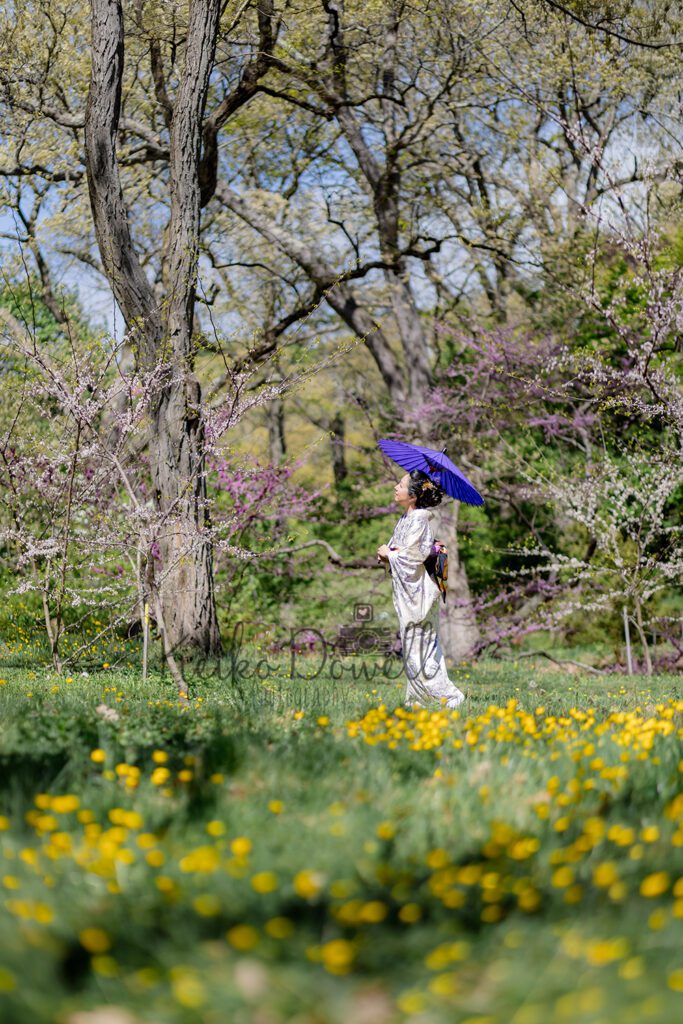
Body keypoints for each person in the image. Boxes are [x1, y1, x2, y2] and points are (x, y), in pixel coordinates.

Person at [377, 470, 465, 710]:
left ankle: (448, 697)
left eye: (401, 484)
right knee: (413, 647)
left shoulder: (419, 520)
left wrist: (390, 555)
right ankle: (419, 700)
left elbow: (413, 556)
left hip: (420, 595)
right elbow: (400, 551)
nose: (395, 487)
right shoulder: (406, 519)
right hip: (410, 593)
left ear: (413, 495)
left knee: (420, 647)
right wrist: (387, 555)